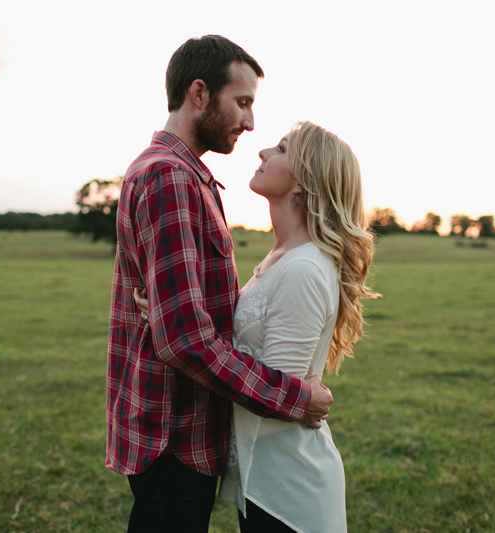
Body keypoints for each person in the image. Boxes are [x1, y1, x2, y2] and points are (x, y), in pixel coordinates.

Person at [106, 35, 333, 533]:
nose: (250, 123)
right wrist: (297, 399)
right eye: (243, 102)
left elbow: (188, 316)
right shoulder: (170, 178)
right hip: (173, 434)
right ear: (200, 93)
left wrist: (163, 311)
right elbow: (185, 340)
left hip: (183, 430)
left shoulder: (190, 177)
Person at [137, 121, 379, 532]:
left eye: (281, 148)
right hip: (263, 478)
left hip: (290, 488)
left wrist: (180, 335)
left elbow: (278, 394)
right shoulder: (282, 256)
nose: (263, 151)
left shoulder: (303, 268)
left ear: (304, 182)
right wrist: (172, 316)